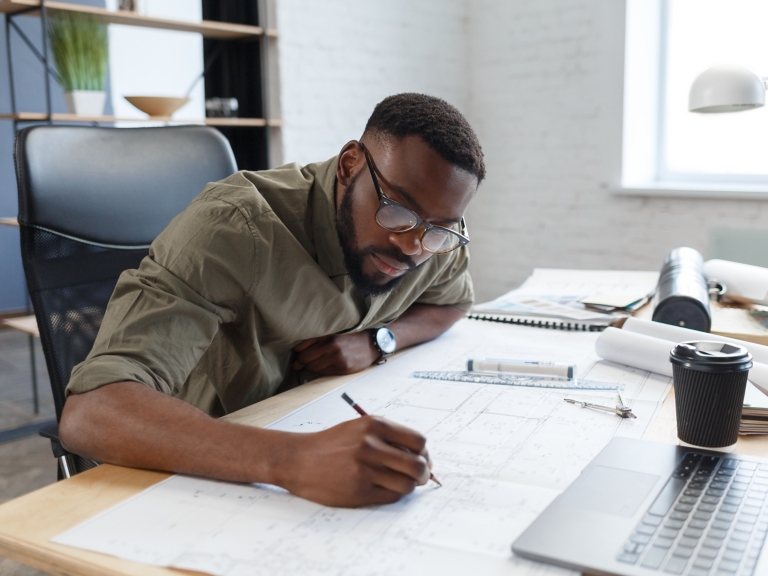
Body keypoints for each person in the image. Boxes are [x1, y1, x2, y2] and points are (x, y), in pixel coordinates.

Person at [60, 93, 485, 507]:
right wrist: (293, 460)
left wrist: (379, 340)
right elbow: (92, 412)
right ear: (350, 164)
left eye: (437, 229)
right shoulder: (232, 228)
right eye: (397, 210)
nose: (412, 247)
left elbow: (452, 303)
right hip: (179, 476)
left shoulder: (436, 239)